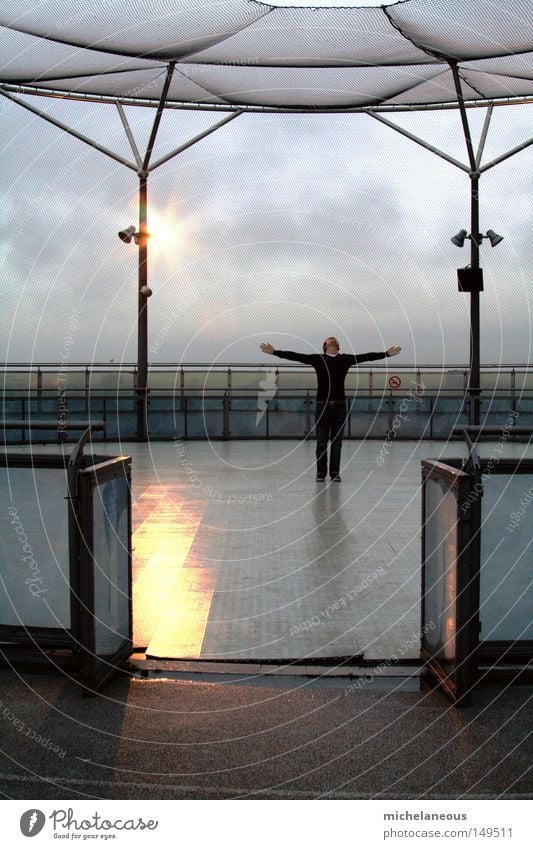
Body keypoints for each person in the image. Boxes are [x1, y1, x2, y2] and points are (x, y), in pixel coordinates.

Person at [260, 337, 401, 481]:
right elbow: (297, 356)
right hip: (323, 406)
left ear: (338, 346)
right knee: (321, 441)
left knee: (337, 442)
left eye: (334, 340)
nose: (333, 340)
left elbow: (366, 357)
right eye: (329, 340)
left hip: (340, 406)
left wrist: (386, 354)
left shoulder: (345, 359)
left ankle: (335, 473)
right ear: (325, 346)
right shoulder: (318, 359)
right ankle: (321, 473)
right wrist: (275, 352)